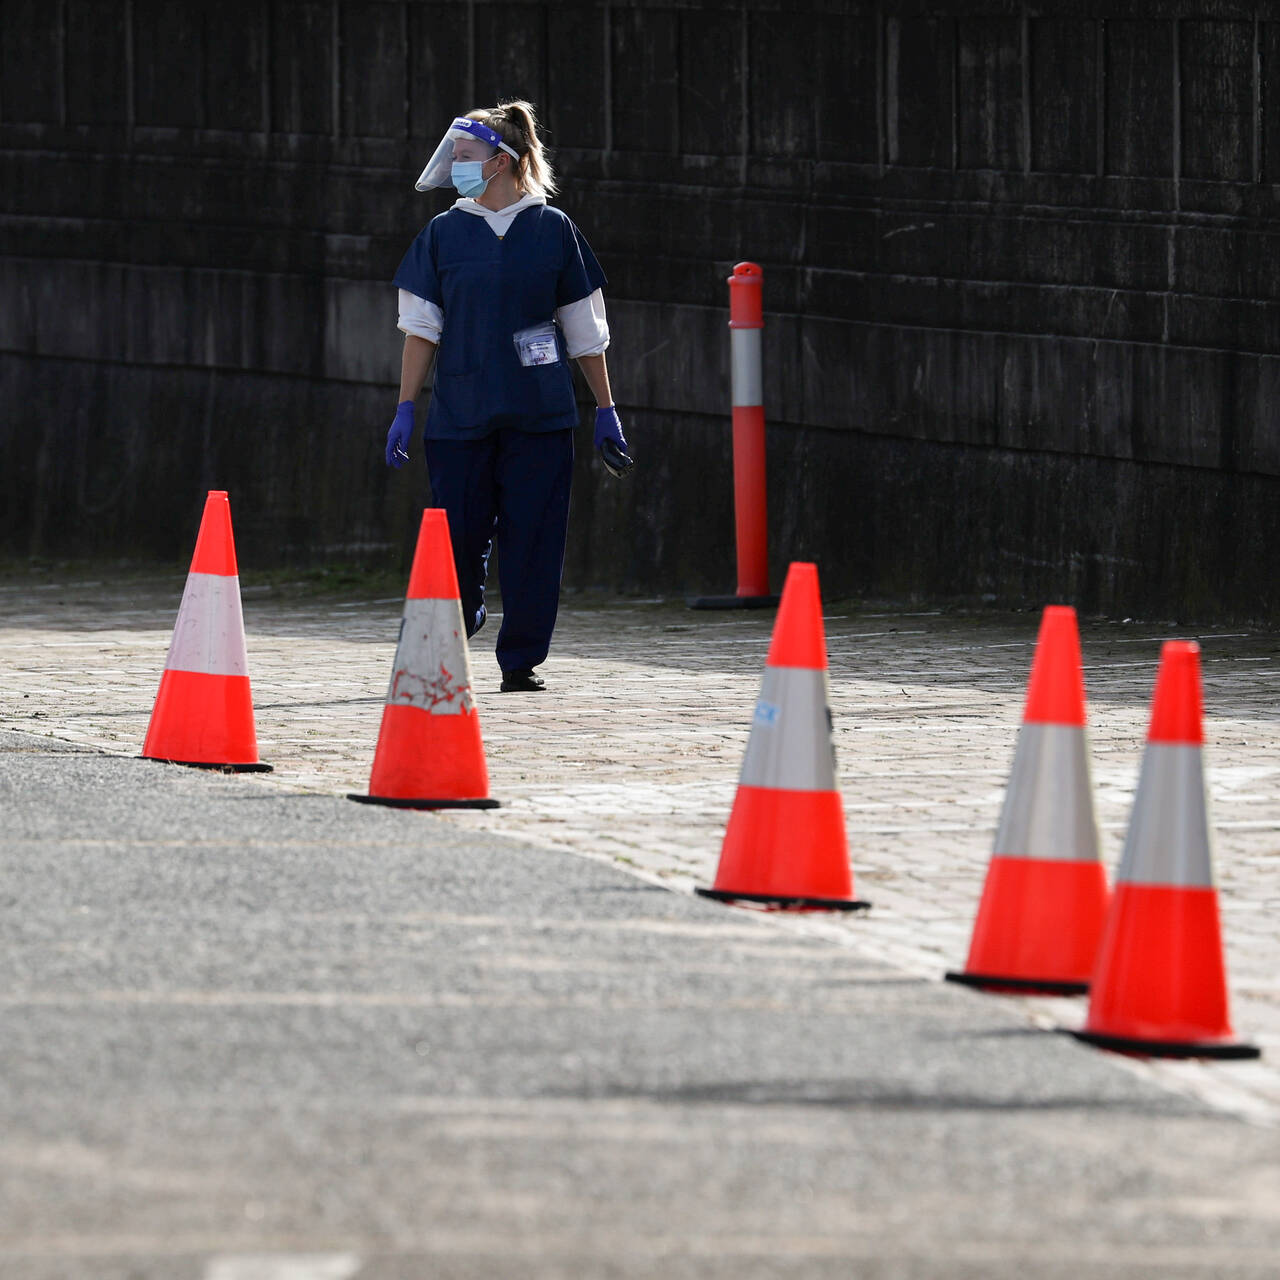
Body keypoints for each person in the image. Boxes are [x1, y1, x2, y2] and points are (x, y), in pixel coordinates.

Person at [385, 100, 632, 694]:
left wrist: (605, 408)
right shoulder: (443, 233)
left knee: (534, 536)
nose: (455, 167)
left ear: (501, 162)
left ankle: (520, 659)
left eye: (465, 158)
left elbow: (583, 328)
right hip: (460, 414)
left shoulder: (553, 230)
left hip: (539, 414)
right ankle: (466, 603)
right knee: (459, 534)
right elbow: (421, 328)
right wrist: (406, 406)